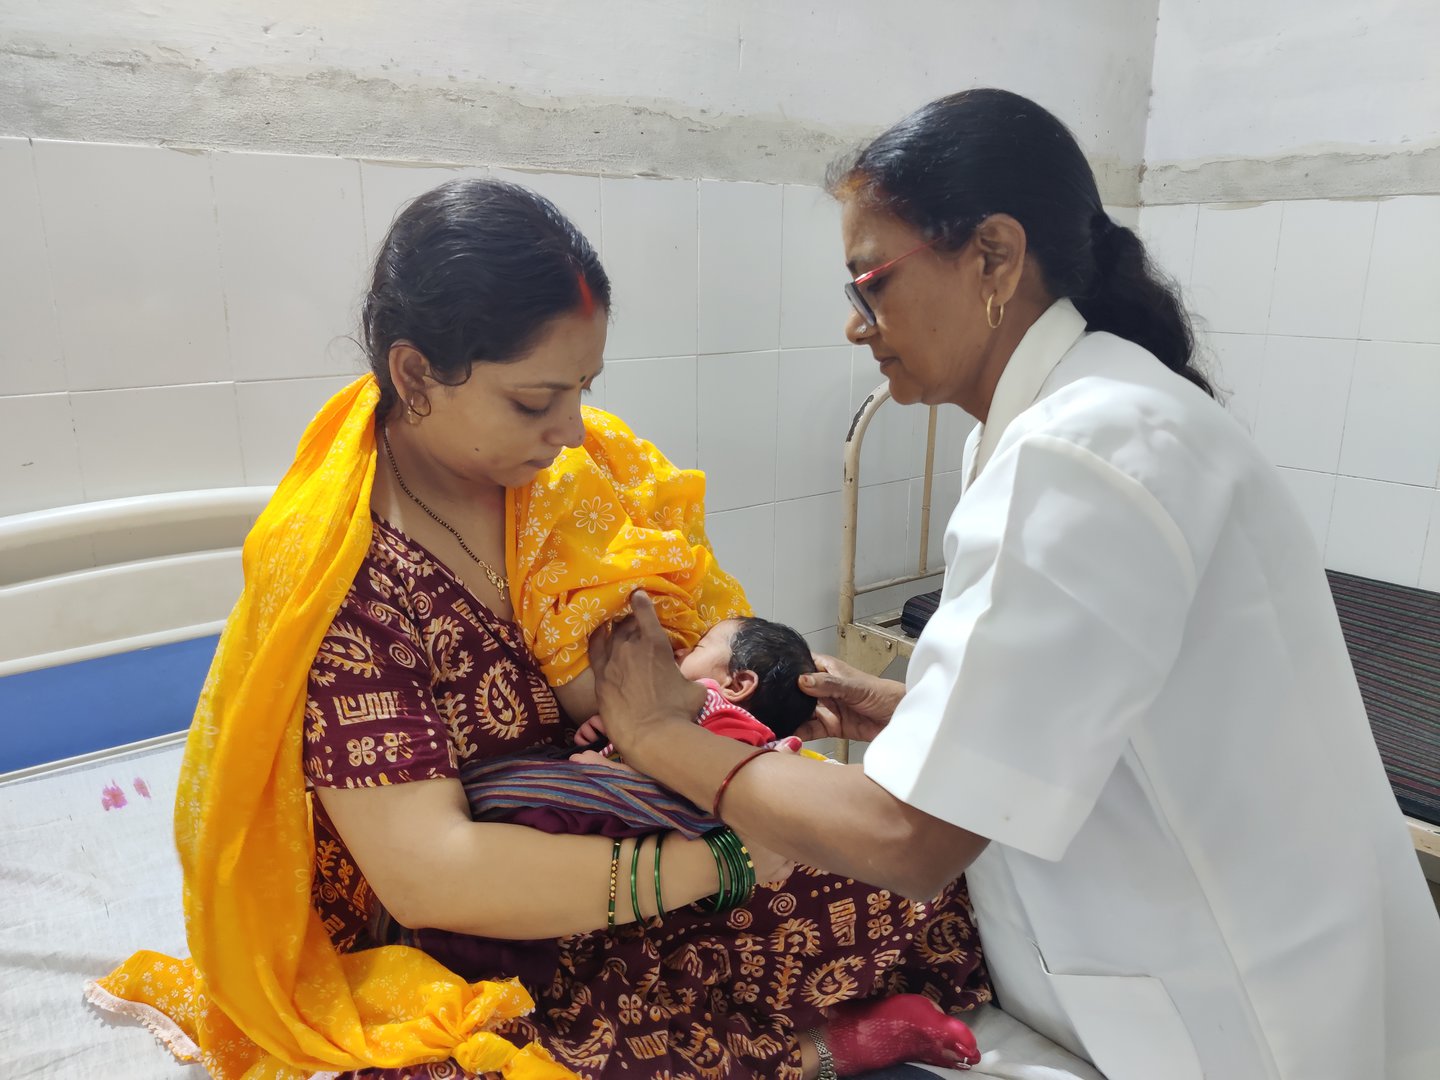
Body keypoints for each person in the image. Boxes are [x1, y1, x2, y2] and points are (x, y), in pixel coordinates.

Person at [584, 89, 1440, 1080]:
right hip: (1198, 952)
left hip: (1240, 998)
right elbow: (1103, 705)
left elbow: (910, 843)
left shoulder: (1085, 449)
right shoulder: (1052, 421)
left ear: (992, 257)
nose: (860, 328)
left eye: (872, 286)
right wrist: (904, 711)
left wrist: (657, 736)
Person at [93, 177, 989, 1080]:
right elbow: (429, 872)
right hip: (478, 922)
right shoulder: (344, 581)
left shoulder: (578, 474)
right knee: (469, 1061)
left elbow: (688, 651)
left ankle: (747, 1034)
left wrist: (763, 708)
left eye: (583, 389)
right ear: (415, 376)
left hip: (621, 827)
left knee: (915, 880)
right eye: (534, 401)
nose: (570, 428)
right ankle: (810, 1052)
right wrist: (715, 864)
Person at [573, 616, 821, 755]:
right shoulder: (703, 715)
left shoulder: (735, 733)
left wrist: (608, 772)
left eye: (699, 646)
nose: (680, 650)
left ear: (736, 685)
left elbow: (675, 779)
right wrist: (613, 726)